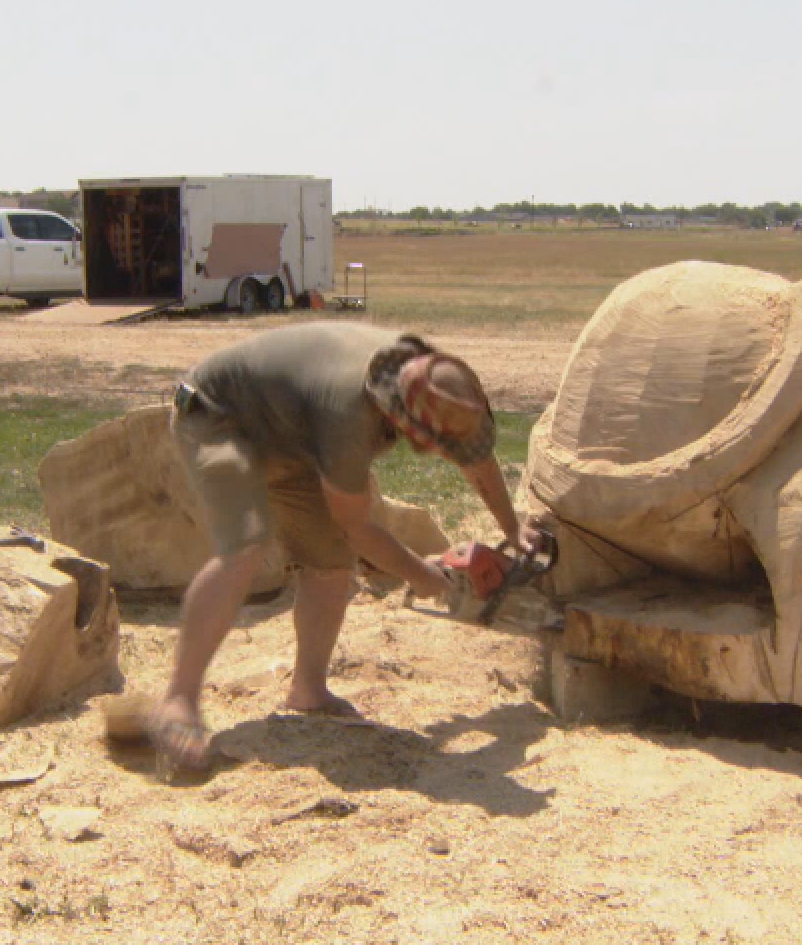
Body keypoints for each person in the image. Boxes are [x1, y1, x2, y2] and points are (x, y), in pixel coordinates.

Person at [153, 323, 531, 768]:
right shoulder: (350, 415)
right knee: (246, 545)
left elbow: (474, 456)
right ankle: (178, 701)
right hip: (218, 416)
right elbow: (358, 527)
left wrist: (512, 531)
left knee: (330, 559)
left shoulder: (439, 384)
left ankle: (308, 691)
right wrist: (425, 578)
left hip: (290, 434)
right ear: (407, 423)